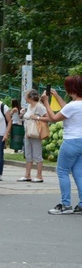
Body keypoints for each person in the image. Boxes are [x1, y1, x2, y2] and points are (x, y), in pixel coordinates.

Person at [41, 75, 82, 214]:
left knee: (62, 171)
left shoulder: (73, 106)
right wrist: (57, 96)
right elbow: (67, 109)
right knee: (79, 173)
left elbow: (53, 118)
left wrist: (46, 102)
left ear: (71, 89)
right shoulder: (77, 105)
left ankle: (65, 205)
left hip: (71, 141)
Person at [18, 89, 47, 183]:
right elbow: (27, 118)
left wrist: (37, 117)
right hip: (27, 133)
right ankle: (27, 174)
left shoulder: (40, 107)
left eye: (26, 96)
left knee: (37, 154)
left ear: (30, 97)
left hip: (36, 133)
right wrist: (22, 115)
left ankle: (39, 175)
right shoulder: (29, 106)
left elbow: (49, 117)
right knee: (28, 155)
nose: (25, 98)